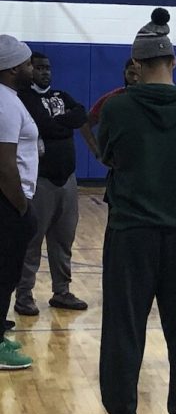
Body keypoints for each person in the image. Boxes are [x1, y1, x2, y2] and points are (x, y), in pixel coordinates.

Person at [96, 8, 176, 414]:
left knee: (124, 330)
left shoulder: (119, 107)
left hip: (130, 233)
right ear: (175, 61)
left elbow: (109, 155)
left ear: (136, 65)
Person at [15, 52, 89, 316]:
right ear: (30, 70)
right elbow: (42, 124)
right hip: (41, 180)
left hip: (68, 180)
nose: (45, 72)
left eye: (48, 68)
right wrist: (63, 124)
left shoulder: (61, 95)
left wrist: (59, 124)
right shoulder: (24, 98)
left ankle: (62, 291)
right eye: (39, 68)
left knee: (63, 239)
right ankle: (24, 295)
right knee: (32, 241)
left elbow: (81, 115)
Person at [0, 35, 37, 368]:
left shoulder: (9, 98)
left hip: (12, 199)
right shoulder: (5, 102)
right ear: (12, 68)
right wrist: (21, 205)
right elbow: (4, 162)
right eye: (27, 64)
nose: (32, 68)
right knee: (4, 272)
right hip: (9, 201)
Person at [80, 58, 140, 158]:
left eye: (138, 74)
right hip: (122, 161)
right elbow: (85, 124)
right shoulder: (113, 98)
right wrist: (98, 152)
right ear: (125, 73)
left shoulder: (153, 97)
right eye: (131, 73)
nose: (134, 78)